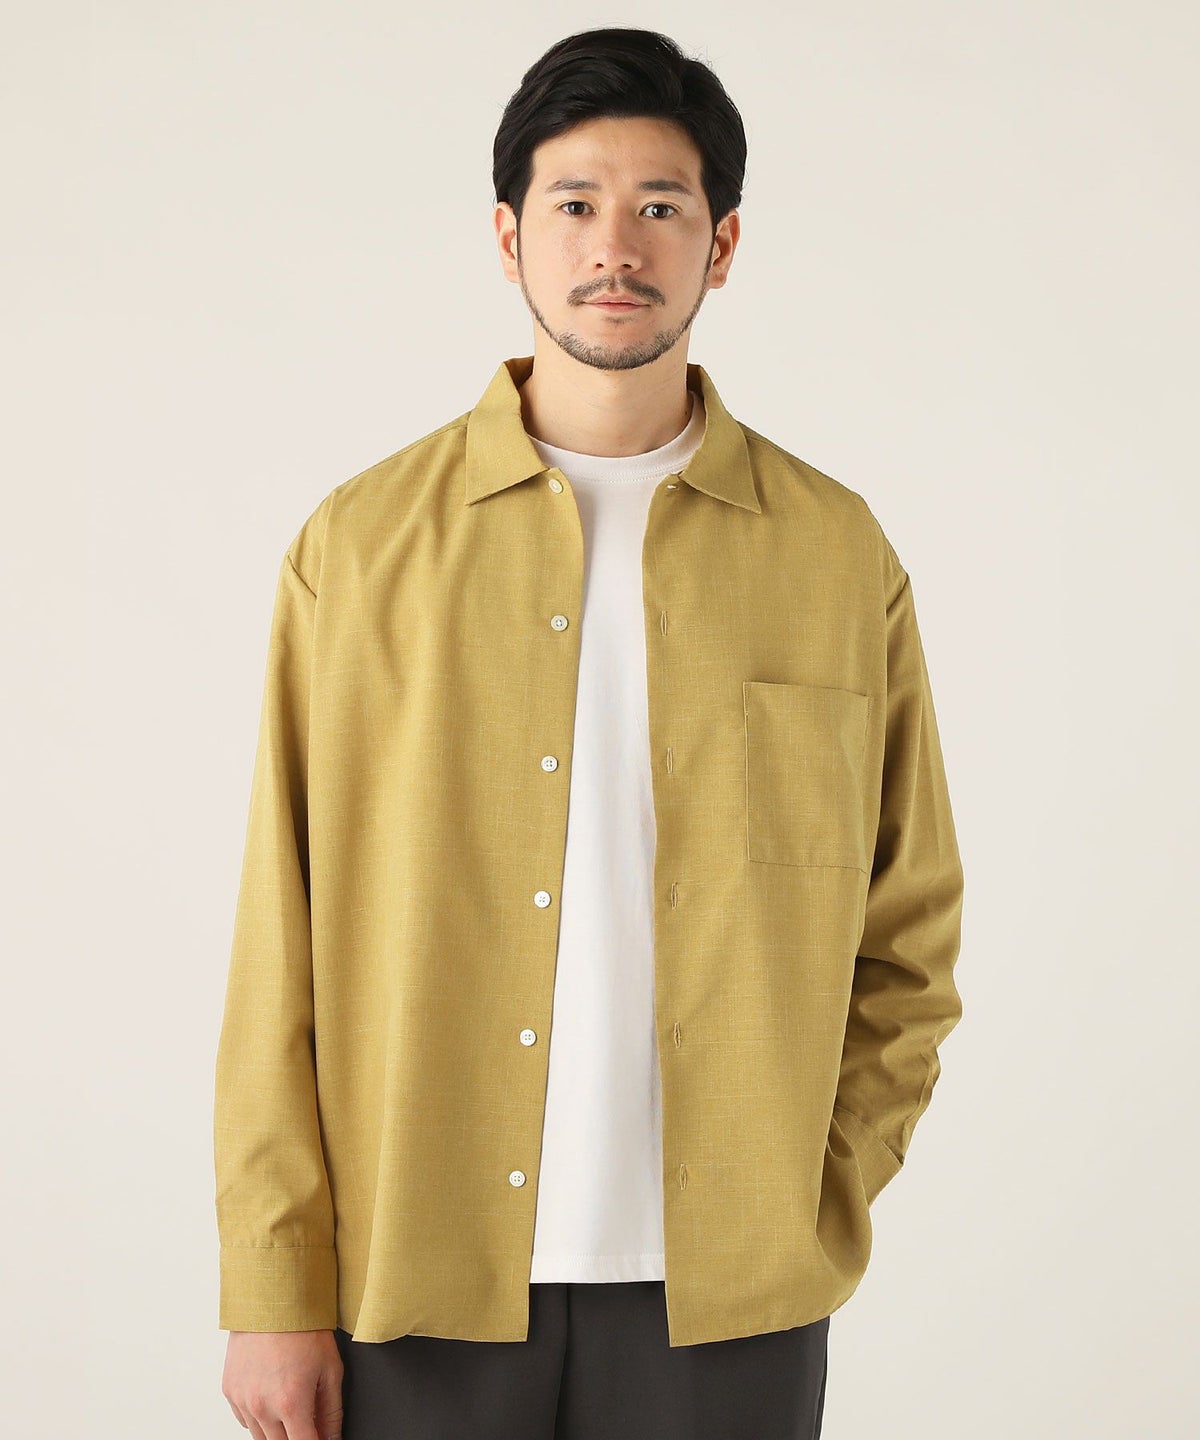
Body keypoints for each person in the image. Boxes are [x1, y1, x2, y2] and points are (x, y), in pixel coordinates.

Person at [214, 25, 965, 1440]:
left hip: (731, 1295)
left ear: (720, 246)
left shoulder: (833, 554)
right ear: (509, 237)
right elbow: (280, 943)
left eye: (659, 206)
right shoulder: (358, 552)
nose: (614, 246)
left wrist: (818, 1189)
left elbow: (910, 928)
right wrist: (273, 1283)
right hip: (411, 1277)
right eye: (574, 203)